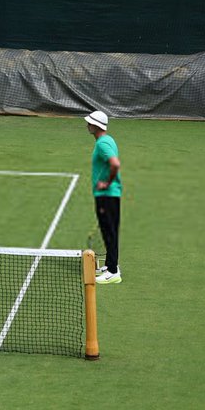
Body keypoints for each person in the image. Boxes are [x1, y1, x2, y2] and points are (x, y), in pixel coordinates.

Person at [85, 110, 123, 284]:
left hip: (106, 195)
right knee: (110, 230)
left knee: (109, 232)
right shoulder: (108, 140)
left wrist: (106, 183)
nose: (87, 125)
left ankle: (113, 272)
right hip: (109, 195)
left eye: (90, 122)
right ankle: (110, 265)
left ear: (96, 125)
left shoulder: (102, 143)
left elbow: (115, 164)